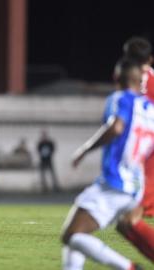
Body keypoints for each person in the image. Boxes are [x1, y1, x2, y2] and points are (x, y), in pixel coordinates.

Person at [61, 59, 149, 270]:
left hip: (115, 183)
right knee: (79, 232)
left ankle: (128, 267)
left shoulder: (120, 98)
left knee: (71, 235)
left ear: (116, 78)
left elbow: (116, 128)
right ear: (141, 81)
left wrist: (84, 150)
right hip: (137, 187)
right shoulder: (150, 109)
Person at [115, 37, 154, 262]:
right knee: (128, 220)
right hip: (142, 150)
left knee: (130, 218)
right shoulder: (147, 77)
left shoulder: (127, 77)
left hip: (141, 151)